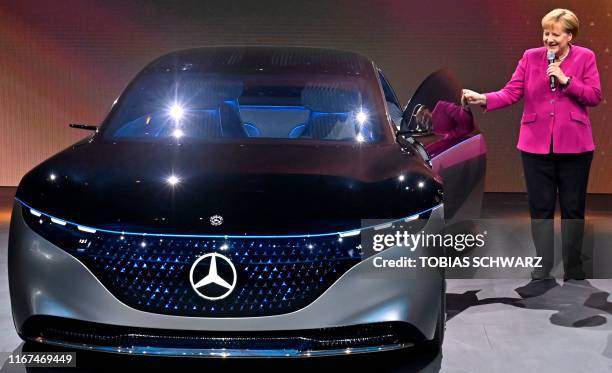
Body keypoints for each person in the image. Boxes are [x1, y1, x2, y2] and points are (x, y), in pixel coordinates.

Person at [462, 9, 602, 280]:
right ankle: (543, 264)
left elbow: (594, 96)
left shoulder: (585, 57)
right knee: (541, 207)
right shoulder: (530, 57)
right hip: (535, 144)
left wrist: (566, 81)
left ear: (569, 35)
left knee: (573, 208)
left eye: (555, 34)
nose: (548, 39)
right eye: (546, 33)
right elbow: (512, 91)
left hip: (575, 145)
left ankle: (574, 266)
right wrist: (484, 98)